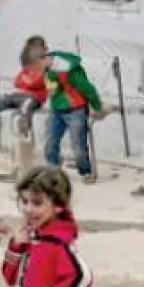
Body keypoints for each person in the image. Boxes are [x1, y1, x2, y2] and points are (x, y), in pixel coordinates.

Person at [42, 48, 102, 185]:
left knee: (78, 145)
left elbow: (86, 87)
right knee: (50, 141)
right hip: (57, 109)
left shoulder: (68, 68)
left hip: (76, 109)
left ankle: (85, 171)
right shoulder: (46, 69)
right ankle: (53, 172)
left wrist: (97, 105)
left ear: (46, 58)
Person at [0, 36, 48, 146]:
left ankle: (24, 127)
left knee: (26, 107)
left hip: (33, 98)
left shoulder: (46, 72)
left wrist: (33, 78)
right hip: (17, 95)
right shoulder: (26, 70)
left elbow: (35, 83)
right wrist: (29, 79)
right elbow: (17, 82)